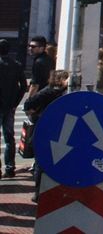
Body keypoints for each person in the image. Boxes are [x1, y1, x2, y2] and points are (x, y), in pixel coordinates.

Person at [24, 69, 70, 200]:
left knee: (42, 162)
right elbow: (28, 104)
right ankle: (44, 193)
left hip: (47, 131)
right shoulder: (57, 92)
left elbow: (28, 104)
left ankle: (39, 194)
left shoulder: (50, 91)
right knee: (47, 163)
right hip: (57, 132)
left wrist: (34, 112)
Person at [0, 39, 28, 178]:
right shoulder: (16, 65)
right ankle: (10, 167)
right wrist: (15, 103)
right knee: (9, 137)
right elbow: (24, 86)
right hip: (10, 106)